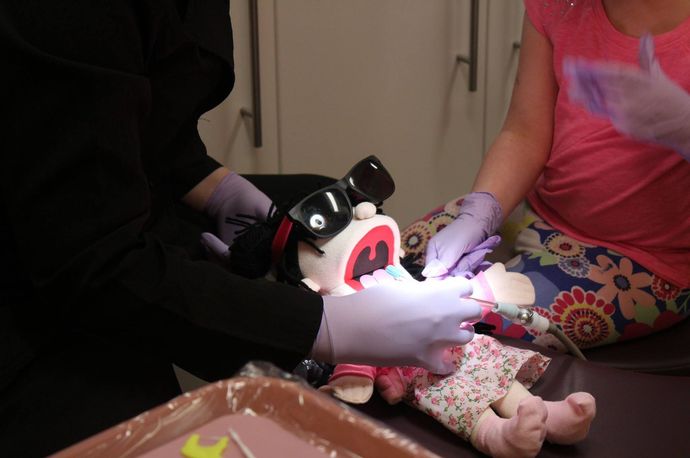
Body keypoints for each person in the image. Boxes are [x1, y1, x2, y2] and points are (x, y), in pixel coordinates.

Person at [0, 3, 480, 456]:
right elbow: (90, 256)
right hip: (45, 272)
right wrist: (323, 327)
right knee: (132, 422)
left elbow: (145, 121)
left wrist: (210, 185)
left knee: (312, 206)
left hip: (108, 199)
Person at [207, 167, 596, 458]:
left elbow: (450, 298)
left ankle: (546, 413)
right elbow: (351, 349)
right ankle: (497, 434)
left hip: (465, 346)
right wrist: (353, 373)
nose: (365, 213)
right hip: (418, 373)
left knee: (489, 363)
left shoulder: (396, 270)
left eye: (367, 206)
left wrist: (484, 289)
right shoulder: (341, 307)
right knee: (451, 392)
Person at [421, 0, 690, 350]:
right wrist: (480, 212)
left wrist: (683, 127)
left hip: (648, 263)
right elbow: (525, 132)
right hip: (539, 216)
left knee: (455, 323)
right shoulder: (559, 5)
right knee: (383, 264)